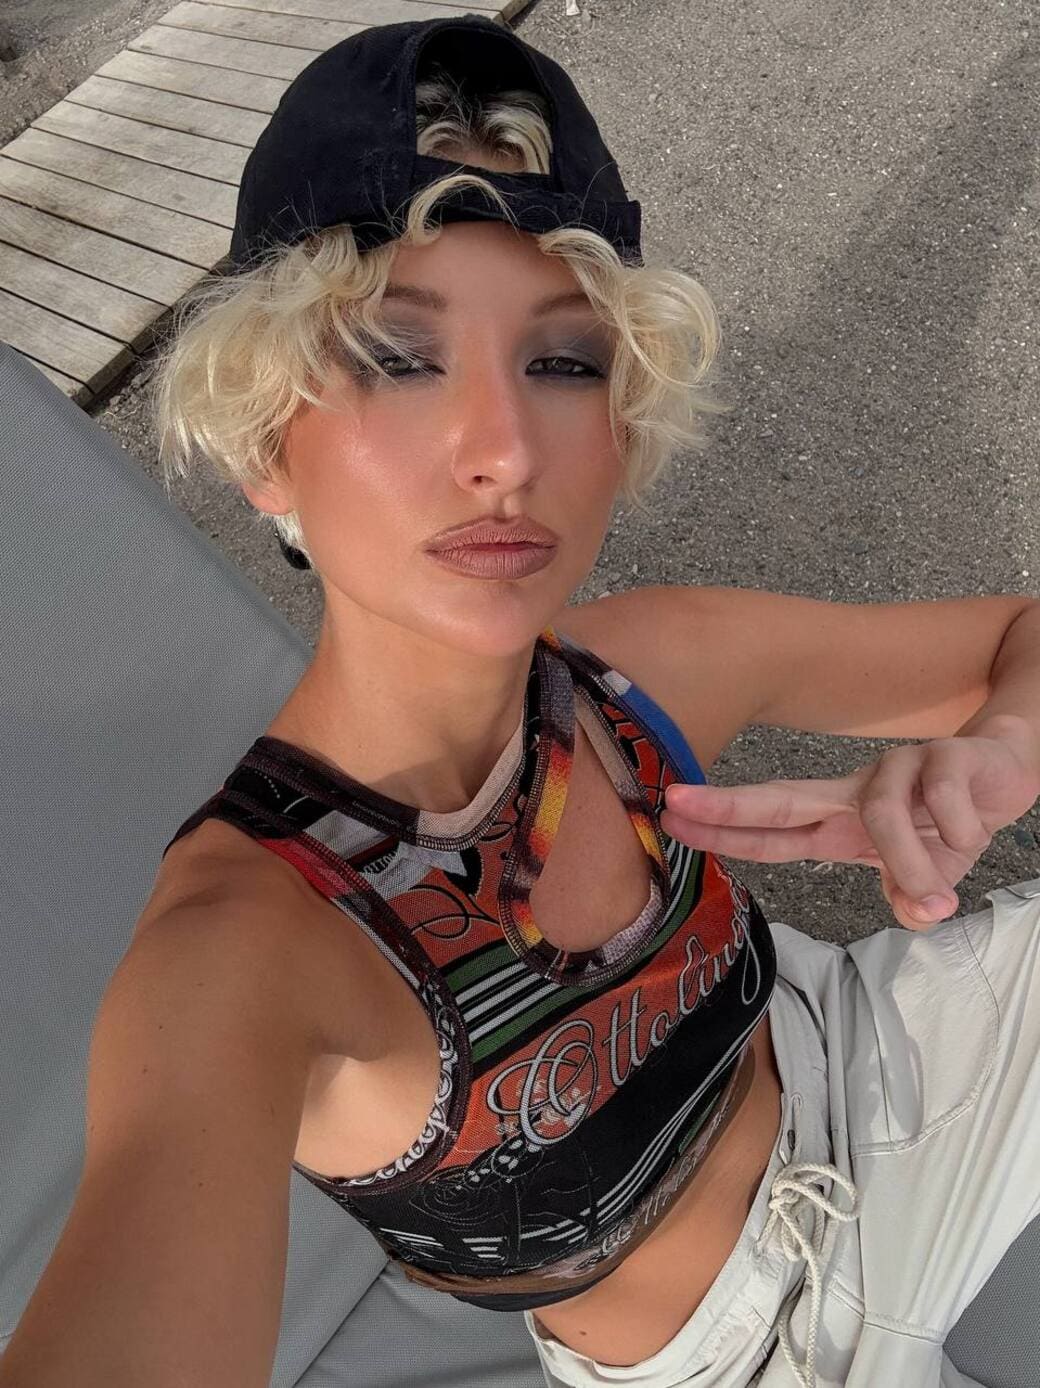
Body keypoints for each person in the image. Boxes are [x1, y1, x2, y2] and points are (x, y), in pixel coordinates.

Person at [2, 15, 1038, 1388]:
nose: (502, 451)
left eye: (564, 363)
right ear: (263, 445)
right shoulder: (241, 957)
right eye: (397, 356)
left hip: (883, 1059)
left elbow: (1021, 636)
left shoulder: (638, 675)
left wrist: (1001, 747)